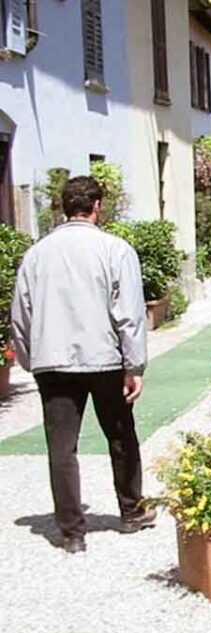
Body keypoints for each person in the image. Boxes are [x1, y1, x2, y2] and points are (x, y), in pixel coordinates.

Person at [9, 176, 157, 554]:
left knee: (61, 446)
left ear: (63, 207)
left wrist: (30, 359)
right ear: (97, 206)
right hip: (104, 357)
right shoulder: (115, 249)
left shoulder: (36, 255)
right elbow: (129, 314)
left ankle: (72, 531)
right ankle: (131, 510)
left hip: (53, 360)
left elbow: (20, 314)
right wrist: (134, 365)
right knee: (121, 435)